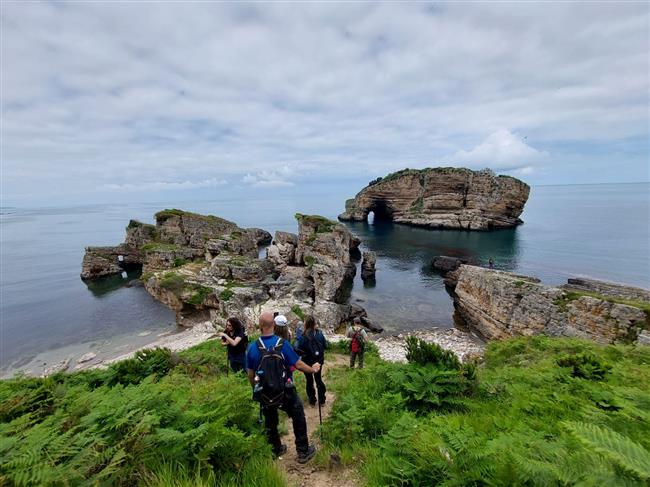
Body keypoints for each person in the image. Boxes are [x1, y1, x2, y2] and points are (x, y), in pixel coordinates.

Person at [247, 312, 320, 463]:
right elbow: (298, 364)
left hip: (265, 391)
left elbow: (250, 374)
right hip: (285, 390)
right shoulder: (283, 344)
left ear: (259, 326)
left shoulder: (253, 348)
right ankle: (303, 451)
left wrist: (256, 388)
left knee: (270, 419)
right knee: (298, 414)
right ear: (273, 325)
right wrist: (312, 369)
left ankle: (275, 449)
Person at [295, 315, 327, 406]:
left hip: (307, 362)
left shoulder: (303, 336)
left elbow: (297, 349)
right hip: (318, 361)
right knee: (318, 379)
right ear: (314, 324)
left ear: (305, 324)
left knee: (309, 381)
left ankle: (312, 400)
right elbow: (326, 346)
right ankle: (322, 400)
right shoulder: (320, 334)